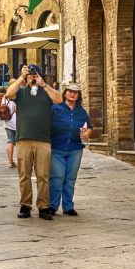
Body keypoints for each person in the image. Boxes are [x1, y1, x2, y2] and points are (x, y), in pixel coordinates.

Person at [4, 64, 62, 220]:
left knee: (43, 175)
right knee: (24, 175)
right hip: (23, 139)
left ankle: (43, 206)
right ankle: (25, 205)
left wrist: (44, 84)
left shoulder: (45, 91)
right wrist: (22, 78)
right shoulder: (21, 92)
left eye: (34, 74)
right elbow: (9, 94)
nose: (32, 77)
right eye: (30, 75)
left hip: (43, 140)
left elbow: (59, 99)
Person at [50, 82, 92, 216]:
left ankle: (68, 206)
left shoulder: (81, 111)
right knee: (57, 177)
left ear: (79, 95)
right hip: (57, 148)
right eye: (70, 91)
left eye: (75, 92)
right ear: (65, 93)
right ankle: (53, 206)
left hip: (75, 149)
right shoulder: (55, 108)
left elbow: (89, 127)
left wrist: (87, 134)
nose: (72, 94)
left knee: (70, 179)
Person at [0, 93, 17, 168]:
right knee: (19, 143)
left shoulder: (5, 96)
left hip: (7, 121)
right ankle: (21, 162)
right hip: (16, 122)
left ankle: (10, 162)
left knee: (10, 141)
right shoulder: (17, 95)